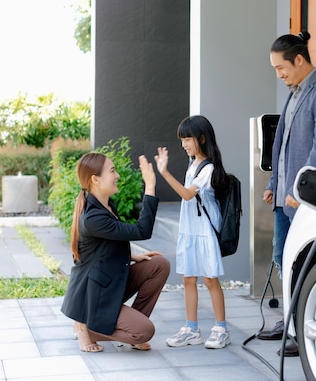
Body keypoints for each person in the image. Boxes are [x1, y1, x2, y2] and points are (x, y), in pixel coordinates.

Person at [258, 31, 316, 355]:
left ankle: (305, 329)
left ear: (299, 59)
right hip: (285, 197)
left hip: (306, 199)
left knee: (307, 262)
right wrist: (273, 186)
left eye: (281, 68)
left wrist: (300, 189)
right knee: (285, 258)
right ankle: (291, 320)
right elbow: (280, 146)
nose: (279, 75)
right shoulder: (294, 92)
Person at [61, 152, 170, 353]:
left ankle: (125, 325)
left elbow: (101, 248)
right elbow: (141, 231)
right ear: (95, 179)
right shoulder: (93, 217)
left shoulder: (107, 205)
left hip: (108, 280)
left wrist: (132, 256)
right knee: (145, 331)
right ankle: (85, 327)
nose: (117, 175)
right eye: (112, 171)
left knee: (159, 264)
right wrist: (151, 186)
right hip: (94, 295)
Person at [155, 115, 231, 350]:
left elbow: (188, 194)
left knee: (210, 278)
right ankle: (191, 329)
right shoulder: (193, 163)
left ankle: (221, 329)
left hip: (205, 230)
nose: (184, 144)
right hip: (190, 229)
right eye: (182, 140)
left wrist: (164, 173)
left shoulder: (208, 167)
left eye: (187, 139)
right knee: (188, 278)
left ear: (201, 138)